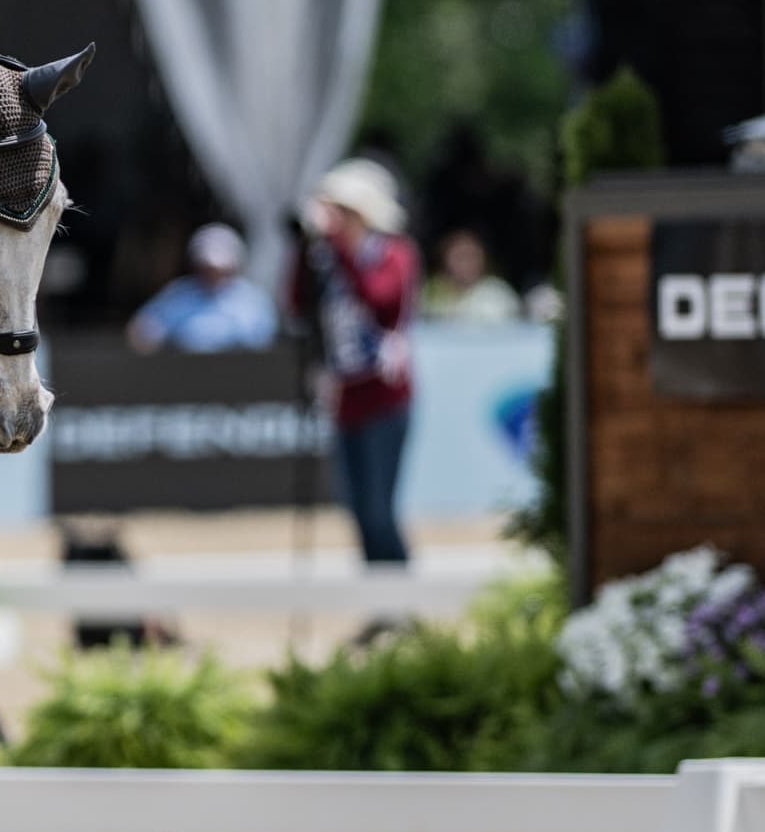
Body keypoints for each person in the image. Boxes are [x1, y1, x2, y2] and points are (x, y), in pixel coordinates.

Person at [286, 160, 417, 566]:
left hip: (386, 396)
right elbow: (295, 303)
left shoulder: (394, 253)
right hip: (343, 397)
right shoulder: (325, 257)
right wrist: (306, 249)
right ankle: (380, 604)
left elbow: (382, 303)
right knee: (356, 508)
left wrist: (340, 248)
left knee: (379, 509)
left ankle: (397, 597)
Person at [125, 223, 276, 353]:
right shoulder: (177, 295)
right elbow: (142, 332)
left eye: (221, 270)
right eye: (207, 269)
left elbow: (264, 343)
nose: (213, 276)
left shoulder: (254, 300)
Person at [421, 228, 522, 324]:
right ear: (444, 259)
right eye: (459, 256)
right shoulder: (430, 293)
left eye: (471, 255)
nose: (465, 263)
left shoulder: (499, 292)